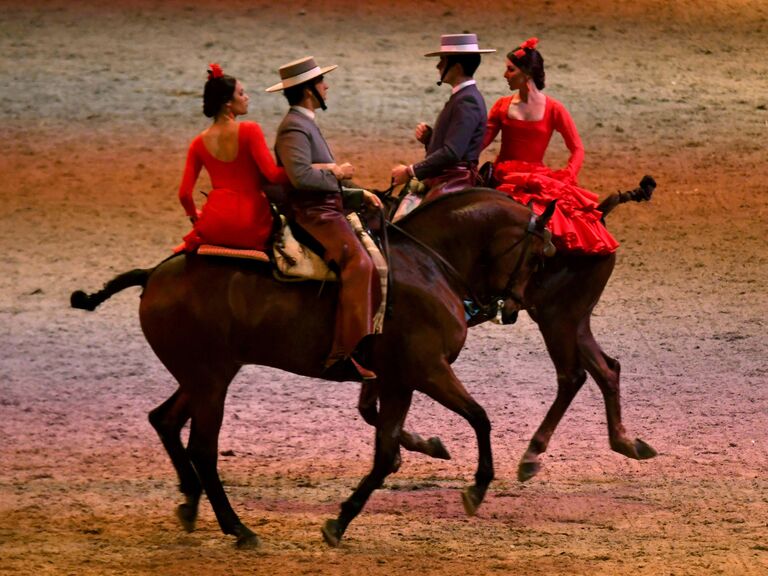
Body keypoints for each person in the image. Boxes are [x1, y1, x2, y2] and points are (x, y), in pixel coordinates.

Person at [266, 56, 382, 379]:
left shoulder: (305, 123)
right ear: (308, 91)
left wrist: (358, 193)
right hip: (314, 214)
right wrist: (337, 173)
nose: (326, 86)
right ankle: (343, 352)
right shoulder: (293, 127)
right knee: (358, 264)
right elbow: (301, 177)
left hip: (328, 206)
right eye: (321, 83)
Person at [481, 38, 618, 255]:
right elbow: (482, 142)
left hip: (536, 180)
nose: (505, 75)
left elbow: (577, 148)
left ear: (526, 73)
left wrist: (568, 175)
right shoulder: (502, 106)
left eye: (510, 70)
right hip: (504, 177)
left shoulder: (554, 109)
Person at [176, 63, 289, 253]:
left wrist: (194, 216)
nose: (247, 98)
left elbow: (184, 194)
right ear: (228, 102)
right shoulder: (249, 130)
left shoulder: (197, 143)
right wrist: (304, 171)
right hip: (250, 218)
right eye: (241, 93)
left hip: (215, 221)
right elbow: (272, 175)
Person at [390, 33, 495, 217]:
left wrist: (411, 171)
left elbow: (452, 153)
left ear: (456, 67)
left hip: (453, 179)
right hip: (447, 176)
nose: (438, 66)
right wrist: (431, 138)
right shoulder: (463, 97)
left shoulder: (466, 100)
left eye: (442, 61)